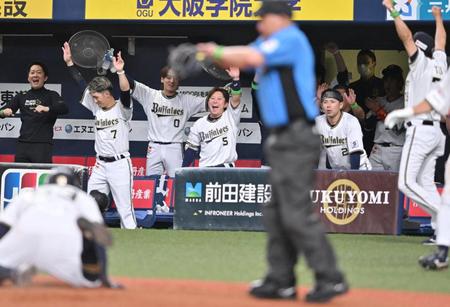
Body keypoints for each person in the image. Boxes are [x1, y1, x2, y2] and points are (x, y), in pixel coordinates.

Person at [196, 0, 348, 302]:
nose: (259, 24)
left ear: (278, 18)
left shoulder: (290, 38)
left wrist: (214, 50)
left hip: (296, 135)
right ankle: (281, 280)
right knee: (276, 212)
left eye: (262, 19)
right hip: (282, 137)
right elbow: (251, 54)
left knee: (294, 212)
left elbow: (249, 56)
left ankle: (330, 278)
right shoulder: (270, 41)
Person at [382, 0, 447, 244]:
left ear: (420, 49)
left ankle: (445, 217)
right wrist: (439, 18)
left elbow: (406, 37)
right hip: (437, 133)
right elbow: (441, 41)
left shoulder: (420, 63)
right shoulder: (440, 62)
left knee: (407, 183)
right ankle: (440, 231)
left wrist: (393, 9)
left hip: (420, 130)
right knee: (426, 183)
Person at [0, 167, 118, 288]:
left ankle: (12, 272)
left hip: (26, 235)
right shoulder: (81, 197)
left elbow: (3, 227)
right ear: (74, 184)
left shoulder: (30, 194)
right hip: (62, 241)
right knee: (91, 280)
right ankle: (92, 276)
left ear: (47, 182)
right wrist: (103, 276)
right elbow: (97, 235)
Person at [62, 42, 137, 229]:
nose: (93, 99)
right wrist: (70, 63)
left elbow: (126, 92)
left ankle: (134, 242)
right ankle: (92, 241)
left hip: (120, 164)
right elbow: (81, 85)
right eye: (93, 97)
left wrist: (120, 72)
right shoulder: (97, 107)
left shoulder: (122, 109)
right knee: (91, 203)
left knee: (125, 210)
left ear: (107, 94)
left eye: (97, 96)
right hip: (100, 164)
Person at [385, 68, 450, 269]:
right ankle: (442, 255)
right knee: (446, 198)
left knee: (408, 183)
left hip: (429, 132)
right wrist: (408, 112)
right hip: (436, 130)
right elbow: (437, 102)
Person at [118, 58, 207, 177]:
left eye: (175, 78)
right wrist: (120, 70)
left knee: (177, 182)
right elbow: (131, 84)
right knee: (151, 182)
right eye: (168, 77)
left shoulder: (186, 100)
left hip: (174, 147)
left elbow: (211, 102)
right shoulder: (150, 95)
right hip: (154, 147)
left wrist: (228, 91)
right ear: (162, 79)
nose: (171, 81)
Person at [0, 62, 69, 163]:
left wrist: (47, 108)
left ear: (45, 78)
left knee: (41, 176)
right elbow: (2, 111)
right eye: (32, 73)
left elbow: (64, 108)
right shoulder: (21, 96)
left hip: (42, 145)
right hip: (22, 145)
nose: (35, 75)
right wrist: (4, 112)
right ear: (28, 78)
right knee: (20, 175)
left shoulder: (52, 95)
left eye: (39, 72)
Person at [182, 68, 242, 167]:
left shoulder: (231, 117)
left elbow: (236, 98)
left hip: (225, 168)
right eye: (212, 98)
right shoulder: (199, 124)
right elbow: (191, 150)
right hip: (205, 169)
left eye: (219, 99)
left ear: (226, 104)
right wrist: (183, 170)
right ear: (208, 102)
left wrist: (236, 79)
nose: (215, 101)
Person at [316, 89, 372, 170]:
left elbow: (355, 153)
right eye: (325, 102)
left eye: (332, 101)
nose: (328, 105)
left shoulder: (350, 121)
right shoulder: (318, 122)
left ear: (341, 105)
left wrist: (353, 176)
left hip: (359, 169)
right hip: (337, 169)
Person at [367, 64, 405, 171]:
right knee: (370, 182)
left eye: (392, 80)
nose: (388, 84)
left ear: (400, 83)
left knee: (395, 185)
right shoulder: (379, 100)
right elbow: (367, 126)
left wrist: (378, 110)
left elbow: (398, 127)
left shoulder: (406, 102)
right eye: (386, 80)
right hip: (377, 148)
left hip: (396, 150)